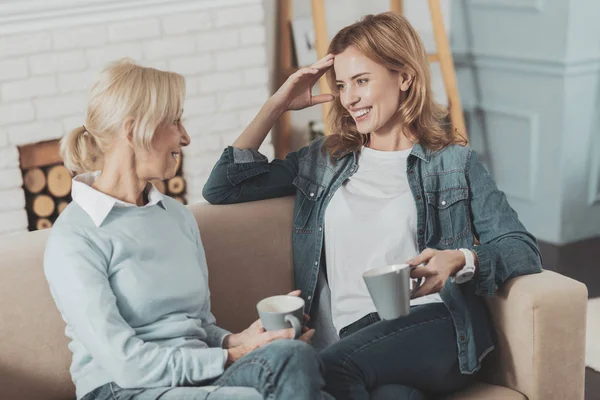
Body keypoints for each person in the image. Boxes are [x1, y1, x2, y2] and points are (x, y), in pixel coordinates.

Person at [203, 12, 543, 400]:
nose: (349, 99)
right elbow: (223, 188)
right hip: (354, 337)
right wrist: (277, 104)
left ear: (404, 78)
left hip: (434, 325)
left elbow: (522, 248)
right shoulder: (324, 159)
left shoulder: (452, 163)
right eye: (343, 85)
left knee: (324, 368)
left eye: (362, 81)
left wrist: (460, 259)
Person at [43, 59, 333, 400]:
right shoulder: (75, 238)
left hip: (197, 381)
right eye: (175, 121)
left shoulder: (176, 217)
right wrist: (231, 356)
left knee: (292, 355)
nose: (185, 137)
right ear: (133, 130)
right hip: (122, 389)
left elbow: (198, 327)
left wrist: (238, 340)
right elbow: (126, 364)